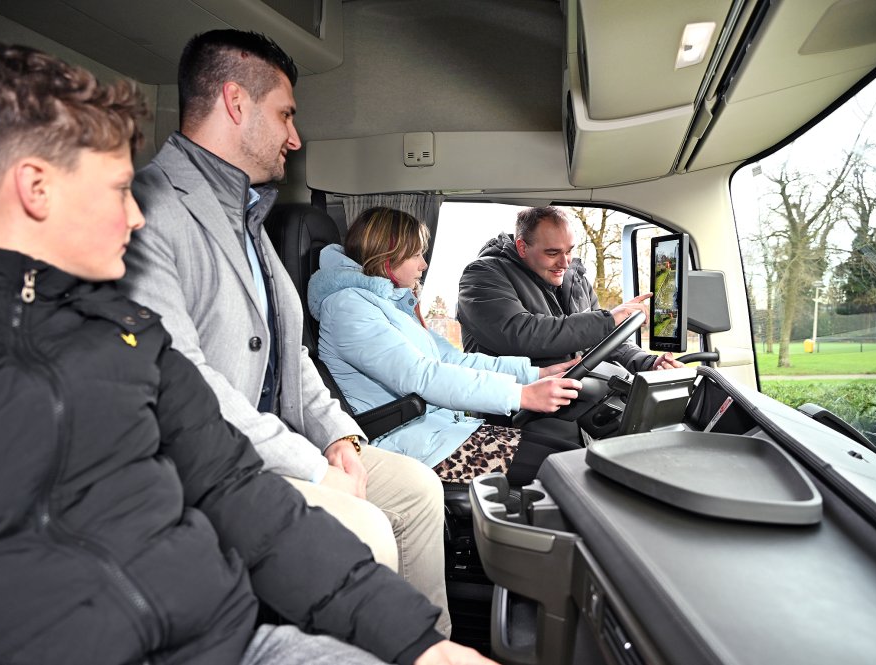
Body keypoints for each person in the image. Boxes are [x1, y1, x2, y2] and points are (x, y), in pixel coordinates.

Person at [0, 41, 492, 665]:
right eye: (118, 190)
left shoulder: (127, 329)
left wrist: (422, 647)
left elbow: (235, 484)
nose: (138, 215)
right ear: (36, 189)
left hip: (225, 635)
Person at [119, 29, 450, 634]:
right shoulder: (149, 208)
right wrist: (315, 467)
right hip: (209, 466)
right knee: (364, 528)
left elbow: (290, 354)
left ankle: (431, 647)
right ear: (235, 104)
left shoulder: (250, 218)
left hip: (284, 448)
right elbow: (183, 382)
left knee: (418, 490)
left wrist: (338, 440)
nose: (295, 138)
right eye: (286, 115)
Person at [307, 207, 583, 485]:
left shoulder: (389, 305)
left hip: (441, 433)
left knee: (569, 458)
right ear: (387, 255)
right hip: (411, 446)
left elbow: (454, 360)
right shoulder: (348, 307)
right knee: (570, 471)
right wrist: (521, 396)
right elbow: (421, 376)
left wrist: (536, 374)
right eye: (416, 254)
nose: (423, 265)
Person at [457, 206, 684, 372]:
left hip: (573, 398)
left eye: (569, 251)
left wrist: (647, 363)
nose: (564, 263)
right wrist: (607, 319)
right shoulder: (482, 276)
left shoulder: (574, 277)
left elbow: (604, 340)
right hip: (518, 410)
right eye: (553, 253)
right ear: (522, 247)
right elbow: (521, 333)